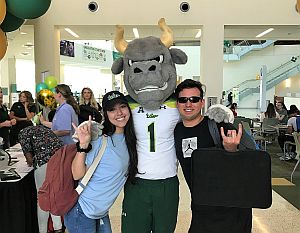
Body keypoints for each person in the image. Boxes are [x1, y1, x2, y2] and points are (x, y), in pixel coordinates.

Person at [174, 79, 252, 233]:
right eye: (183, 100)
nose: (188, 104)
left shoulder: (219, 127)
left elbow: (252, 161)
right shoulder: (176, 131)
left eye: (194, 99)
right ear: (177, 103)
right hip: (201, 208)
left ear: (202, 102)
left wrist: (232, 151)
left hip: (233, 211)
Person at [64, 91, 138, 233]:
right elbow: (77, 174)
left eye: (122, 107)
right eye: (112, 109)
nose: (119, 113)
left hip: (101, 212)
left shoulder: (130, 140)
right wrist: (83, 145)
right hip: (83, 210)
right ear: (106, 114)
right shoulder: (100, 139)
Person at [18, 123, 64, 233]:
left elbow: (29, 160)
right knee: (53, 195)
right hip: (60, 160)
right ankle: (58, 227)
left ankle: (42, 230)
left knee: (42, 197)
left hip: (44, 162)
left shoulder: (22, 133)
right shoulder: (44, 130)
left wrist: (30, 161)